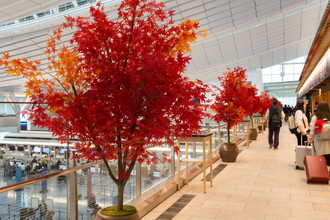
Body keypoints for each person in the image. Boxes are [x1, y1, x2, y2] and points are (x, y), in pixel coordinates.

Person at [307, 101, 330, 166]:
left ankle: (322, 173)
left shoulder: (316, 117)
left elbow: (312, 129)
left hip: (319, 142)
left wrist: (310, 138)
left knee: (320, 159)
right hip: (329, 142)